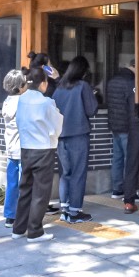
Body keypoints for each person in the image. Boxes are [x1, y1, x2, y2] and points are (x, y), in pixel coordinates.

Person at [11, 67, 63, 242]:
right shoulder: (46, 102)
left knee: (25, 189)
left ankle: (18, 228)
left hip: (26, 148)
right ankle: (35, 231)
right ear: (43, 83)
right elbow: (56, 127)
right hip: (43, 149)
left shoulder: (21, 100)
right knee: (41, 191)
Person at [51, 56, 98, 223]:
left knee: (65, 173)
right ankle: (75, 212)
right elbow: (91, 110)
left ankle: (64, 209)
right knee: (78, 173)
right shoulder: (83, 86)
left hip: (61, 136)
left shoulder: (59, 87)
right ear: (83, 71)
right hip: (78, 134)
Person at [105, 59, 135, 204]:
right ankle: (129, 190)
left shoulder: (112, 81)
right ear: (135, 67)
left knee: (117, 157)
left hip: (114, 125)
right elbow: (131, 106)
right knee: (129, 159)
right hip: (127, 126)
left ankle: (117, 189)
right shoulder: (130, 82)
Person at [0, 69, 26, 229]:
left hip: (10, 148)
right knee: (24, 184)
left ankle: (10, 216)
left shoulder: (7, 101)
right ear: (20, 86)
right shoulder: (22, 102)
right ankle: (23, 214)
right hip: (23, 148)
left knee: (12, 184)